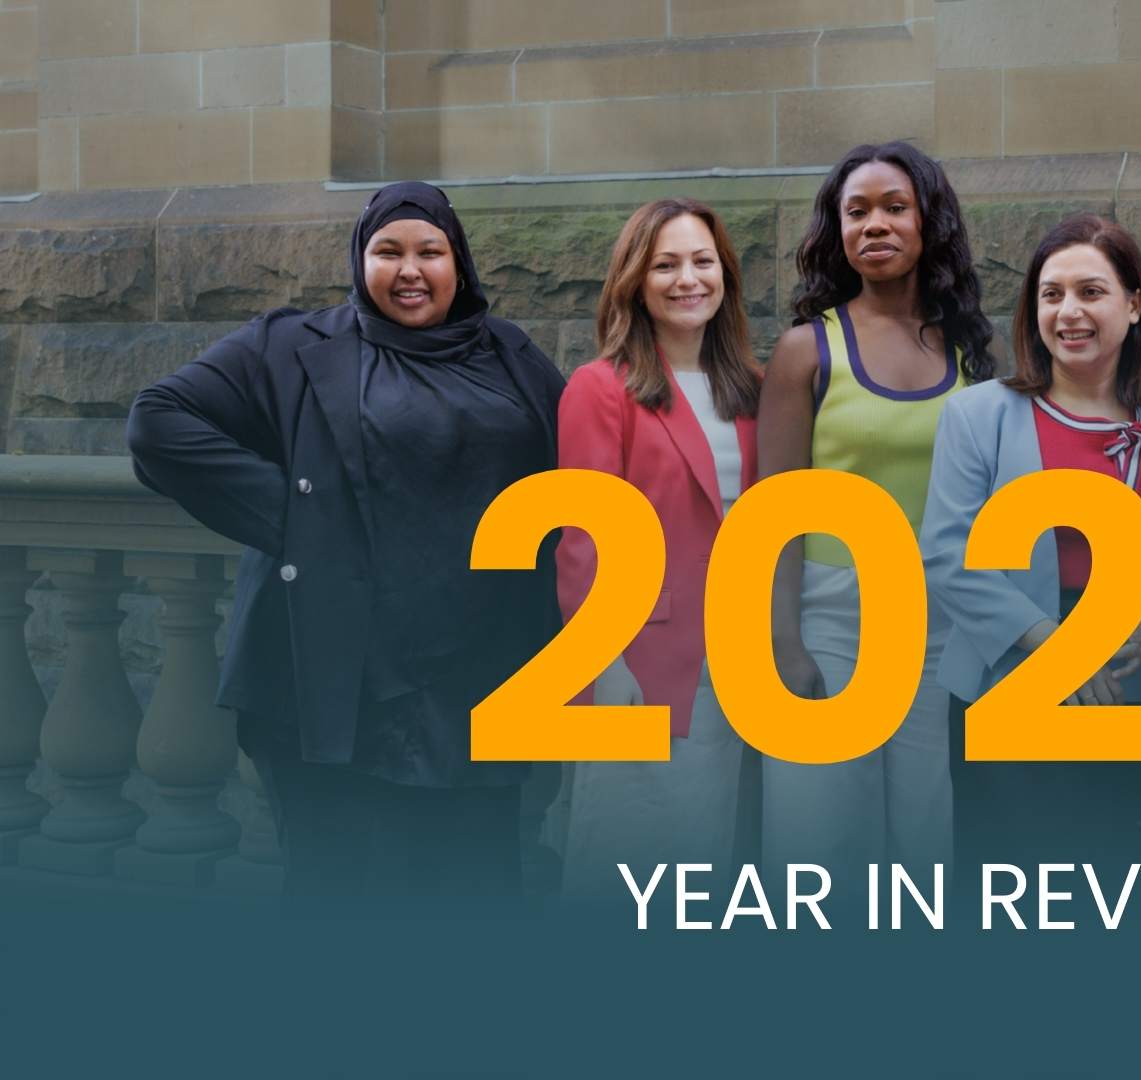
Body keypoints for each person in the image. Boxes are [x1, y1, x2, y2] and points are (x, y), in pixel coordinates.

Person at [126, 181, 565, 909]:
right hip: (338, 685)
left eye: (431, 251)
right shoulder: (292, 345)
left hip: (479, 685)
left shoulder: (512, 355)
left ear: (461, 263)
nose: (410, 270)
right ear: (359, 260)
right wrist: (301, 517)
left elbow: (577, 469)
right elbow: (159, 422)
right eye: (386, 251)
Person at [923, 213, 1141, 869]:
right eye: (1051, 294)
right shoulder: (977, 416)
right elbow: (947, 553)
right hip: (1010, 679)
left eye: (1091, 291)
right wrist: (1063, 651)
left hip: (1132, 683)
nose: (1068, 311)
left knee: (1126, 891)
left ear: (1134, 304)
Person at [757, 141, 996, 872]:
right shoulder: (806, 351)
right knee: (819, 841)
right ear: (837, 230)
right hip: (832, 619)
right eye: (856, 211)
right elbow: (776, 514)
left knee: (924, 839)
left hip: (935, 625)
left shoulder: (969, 356)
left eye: (895, 208)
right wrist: (783, 645)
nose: (876, 225)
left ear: (930, 223)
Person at [555, 199, 760, 888]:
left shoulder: (755, 391)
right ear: (635, 282)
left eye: (703, 262)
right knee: (629, 858)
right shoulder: (600, 389)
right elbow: (584, 541)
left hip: (739, 664)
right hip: (645, 665)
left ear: (725, 275)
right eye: (665, 264)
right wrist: (603, 667)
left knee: (710, 856)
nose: (687, 279)